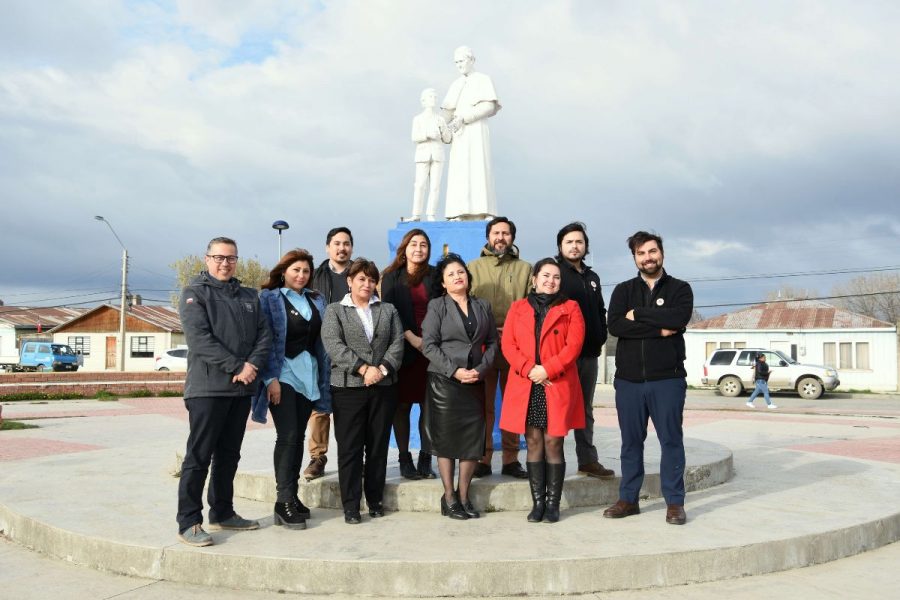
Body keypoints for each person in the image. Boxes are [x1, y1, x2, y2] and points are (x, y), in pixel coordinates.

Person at [176, 237, 272, 547]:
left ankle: (223, 511)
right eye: (218, 257)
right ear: (207, 259)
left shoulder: (248, 296)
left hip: (240, 391)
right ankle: (189, 521)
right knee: (199, 456)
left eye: (230, 258)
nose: (224, 263)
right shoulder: (195, 294)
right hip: (207, 390)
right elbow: (200, 340)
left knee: (229, 455)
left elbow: (264, 336)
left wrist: (252, 366)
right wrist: (237, 367)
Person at [603, 231, 693, 526]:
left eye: (652, 251)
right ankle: (628, 499)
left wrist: (638, 314)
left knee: (671, 440)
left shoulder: (680, 289)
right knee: (630, 442)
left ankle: (675, 503)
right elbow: (616, 326)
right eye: (641, 253)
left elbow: (677, 320)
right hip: (629, 381)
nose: (648, 258)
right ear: (635, 258)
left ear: (662, 253)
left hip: (667, 379)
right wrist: (658, 327)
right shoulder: (622, 290)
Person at [500, 258, 586, 523]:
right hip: (527, 384)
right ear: (535, 279)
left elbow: (574, 346)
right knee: (534, 441)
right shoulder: (518, 308)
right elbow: (508, 345)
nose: (551, 281)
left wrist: (547, 369)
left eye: (556, 277)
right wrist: (529, 369)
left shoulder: (571, 308)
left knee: (554, 441)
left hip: (555, 382)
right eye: (546, 275)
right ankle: (537, 503)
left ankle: (553, 504)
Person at [251, 249, 331, 530]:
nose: (301, 275)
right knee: (288, 436)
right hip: (282, 374)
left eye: (306, 271)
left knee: (298, 439)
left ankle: (292, 496)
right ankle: (282, 501)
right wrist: (269, 378)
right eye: (296, 270)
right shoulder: (270, 298)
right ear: (284, 271)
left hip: (308, 374)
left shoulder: (316, 299)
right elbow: (265, 338)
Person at [321, 259, 404, 524]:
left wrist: (382, 369)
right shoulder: (335, 310)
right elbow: (333, 344)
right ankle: (351, 505)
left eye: (371, 280)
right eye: (361, 279)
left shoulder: (388, 310)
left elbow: (397, 342)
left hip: (383, 387)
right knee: (350, 448)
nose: (367, 284)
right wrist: (362, 369)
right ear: (350, 281)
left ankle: (375, 499)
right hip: (347, 389)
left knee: (377, 447)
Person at [421, 253, 498, 519]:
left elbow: (493, 342)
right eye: (451, 274)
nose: (457, 276)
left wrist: (480, 369)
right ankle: (449, 496)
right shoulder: (437, 306)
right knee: (447, 442)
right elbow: (428, 344)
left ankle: (464, 495)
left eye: (461, 272)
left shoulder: (482, 306)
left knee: (470, 441)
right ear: (443, 282)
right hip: (444, 382)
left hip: (474, 380)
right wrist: (454, 371)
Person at [468, 216, 531, 479]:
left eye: (506, 233)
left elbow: (531, 306)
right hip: (483, 346)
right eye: (496, 233)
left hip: (516, 347)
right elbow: (466, 305)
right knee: (484, 405)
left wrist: (513, 330)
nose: (500, 238)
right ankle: (483, 458)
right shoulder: (473, 267)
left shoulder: (526, 269)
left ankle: (511, 459)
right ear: (488, 236)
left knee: (513, 404)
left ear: (512, 238)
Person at [555, 222, 615, 480]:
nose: (574, 245)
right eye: (569, 242)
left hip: (589, 355)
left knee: (585, 409)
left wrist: (601, 334)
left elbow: (601, 310)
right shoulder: (555, 273)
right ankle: (553, 462)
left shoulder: (592, 277)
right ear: (560, 246)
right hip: (562, 356)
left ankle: (587, 460)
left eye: (579, 241)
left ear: (585, 246)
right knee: (558, 409)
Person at [380, 229, 438, 479]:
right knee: (401, 407)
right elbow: (389, 311)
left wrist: (429, 340)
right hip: (403, 350)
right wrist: (412, 338)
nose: (419, 249)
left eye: (423, 244)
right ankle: (405, 460)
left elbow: (441, 309)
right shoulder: (391, 277)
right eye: (414, 244)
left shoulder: (435, 276)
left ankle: (426, 458)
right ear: (404, 248)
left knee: (430, 407)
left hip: (432, 350)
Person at [306, 227, 354, 481]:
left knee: (351, 409)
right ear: (328, 247)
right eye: (337, 243)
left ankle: (355, 457)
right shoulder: (315, 276)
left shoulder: (361, 273)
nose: (341, 248)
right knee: (320, 407)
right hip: (321, 349)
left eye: (346, 243)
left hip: (354, 351)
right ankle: (318, 457)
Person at [441, 46, 501, 220]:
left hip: (476, 130)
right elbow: (447, 112)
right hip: (459, 134)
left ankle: (485, 210)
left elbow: (489, 106)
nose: (459, 65)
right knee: (459, 170)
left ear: (472, 60)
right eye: (456, 62)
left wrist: (465, 118)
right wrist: (437, 124)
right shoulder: (456, 84)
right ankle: (458, 211)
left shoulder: (483, 80)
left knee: (479, 167)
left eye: (462, 61)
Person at [411, 88, 452, 221]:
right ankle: (416, 214)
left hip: (437, 155)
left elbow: (447, 139)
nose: (433, 99)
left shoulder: (440, 119)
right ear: (423, 100)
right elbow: (415, 137)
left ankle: (431, 214)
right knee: (420, 185)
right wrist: (428, 135)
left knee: (435, 186)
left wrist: (443, 130)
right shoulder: (418, 119)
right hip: (423, 155)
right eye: (430, 96)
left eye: (435, 96)